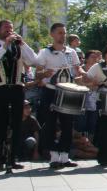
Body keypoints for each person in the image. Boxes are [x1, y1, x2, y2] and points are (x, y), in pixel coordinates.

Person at [0, 20, 38, 171]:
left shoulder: (18, 47)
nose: (9, 30)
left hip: (17, 88)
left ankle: (13, 158)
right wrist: (4, 46)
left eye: (11, 28)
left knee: (17, 124)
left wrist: (23, 43)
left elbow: (34, 60)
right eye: (6, 28)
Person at [34, 23, 83, 169]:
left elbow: (77, 68)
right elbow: (38, 73)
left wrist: (83, 73)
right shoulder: (45, 52)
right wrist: (45, 74)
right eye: (60, 33)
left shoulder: (71, 52)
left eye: (64, 33)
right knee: (50, 124)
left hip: (68, 92)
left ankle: (65, 156)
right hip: (51, 91)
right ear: (52, 34)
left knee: (68, 125)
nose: (63, 35)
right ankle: (54, 156)